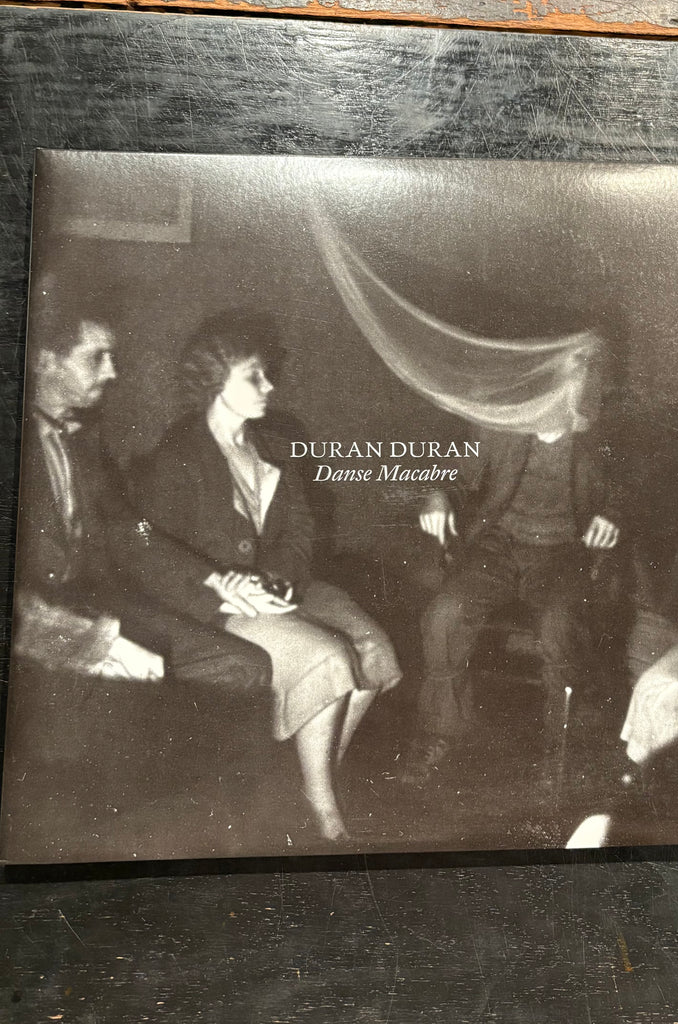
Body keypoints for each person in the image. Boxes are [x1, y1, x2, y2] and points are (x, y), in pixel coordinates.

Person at [137, 315, 401, 841]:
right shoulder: (177, 454)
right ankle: (325, 810)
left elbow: (301, 533)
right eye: (254, 376)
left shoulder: (275, 445)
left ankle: (309, 780)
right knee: (327, 655)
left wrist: (276, 581)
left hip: (284, 589)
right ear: (216, 382)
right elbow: (151, 547)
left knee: (374, 650)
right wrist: (226, 585)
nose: (269, 386)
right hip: (216, 603)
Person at [14, 313, 272, 691]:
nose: (112, 372)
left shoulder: (83, 440)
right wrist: (92, 643)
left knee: (245, 665)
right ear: (45, 361)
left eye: (112, 358)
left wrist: (212, 578)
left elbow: (132, 531)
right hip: (36, 627)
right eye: (96, 357)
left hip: (93, 600)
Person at [403, 349, 624, 785]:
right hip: (497, 548)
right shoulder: (499, 426)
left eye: (572, 389)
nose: (556, 399)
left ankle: (560, 748)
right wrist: (437, 496)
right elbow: (454, 477)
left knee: (560, 624)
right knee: (444, 615)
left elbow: (629, 490)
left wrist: (613, 515)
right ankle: (440, 730)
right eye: (550, 385)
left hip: (563, 554)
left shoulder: (601, 438)